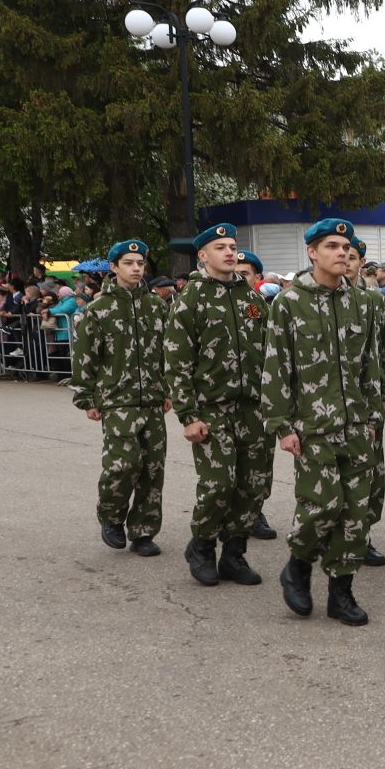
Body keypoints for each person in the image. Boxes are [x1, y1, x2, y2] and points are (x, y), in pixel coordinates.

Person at [261, 219, 384, 626]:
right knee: (322, 505)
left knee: (356, 513)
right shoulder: (289, 303)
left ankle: (341, 592)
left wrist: (373, 416)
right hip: (312, 426)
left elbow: (370, 363)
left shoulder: (364, 303)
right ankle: (297, 565)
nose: (342, 253)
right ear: (312, 252)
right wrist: (281, 426)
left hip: (356, 425)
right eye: (332, 246)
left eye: (346, 247)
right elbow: (276, 367)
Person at [163, 222, 268, 589]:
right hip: (211, 408)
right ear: (203, 255)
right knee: (219, 484)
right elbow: (177, 360)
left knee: (254, 485)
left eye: (233, 247)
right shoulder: (191, 298)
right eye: (220, 247)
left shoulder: (251, 298)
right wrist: (188, 416)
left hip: (252, 408)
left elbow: (269, 350)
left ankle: (234, 553)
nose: (229, 252)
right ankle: (202, 546)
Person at [69, 239, 169, 557]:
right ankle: (111, 516)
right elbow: (85, 355)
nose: (136, 268)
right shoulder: (98, 309)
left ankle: (143, 531)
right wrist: (86, 397)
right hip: (117, 398)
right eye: (128, 263)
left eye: (140, 263)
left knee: (152, 469)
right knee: (123, 464)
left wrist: (168, 390)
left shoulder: (157, 306)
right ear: (114, 267)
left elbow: (168, 352)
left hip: (152, 398)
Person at [343, 237, 385, 568]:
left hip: (367, 401)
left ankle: (363, 534)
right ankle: (336, 535)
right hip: (329, 404)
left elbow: (384, 349)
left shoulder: (374, 302)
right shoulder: (311, 301)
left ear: (362, 263)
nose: (346, 261)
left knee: (372, 473)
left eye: (353, 257)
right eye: (341, 254)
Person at [234, 251, 281, 542]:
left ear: (257, 278)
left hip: (258, 397)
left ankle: (255, 510)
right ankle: (228, 511)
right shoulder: (212, 302)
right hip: (222, 397)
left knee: (260, 459)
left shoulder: (258, 307)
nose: (240, 278)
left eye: (246, 274)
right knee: (227, 463)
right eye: (236, 272)